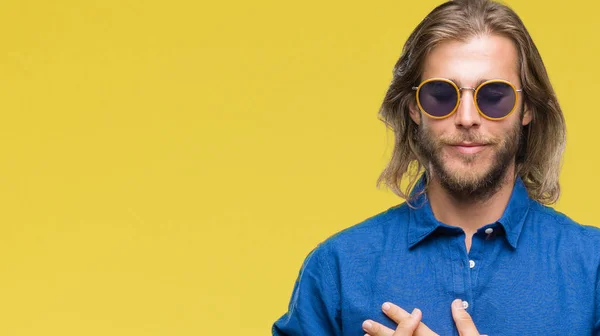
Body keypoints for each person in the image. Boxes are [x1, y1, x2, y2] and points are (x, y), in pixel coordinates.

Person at [272, 0, 600, 335]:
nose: (467, 118)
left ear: (526, 108)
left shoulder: (593, 268)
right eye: (442, 95)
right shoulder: (337, 270)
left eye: (494, 96)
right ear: (414, 107)